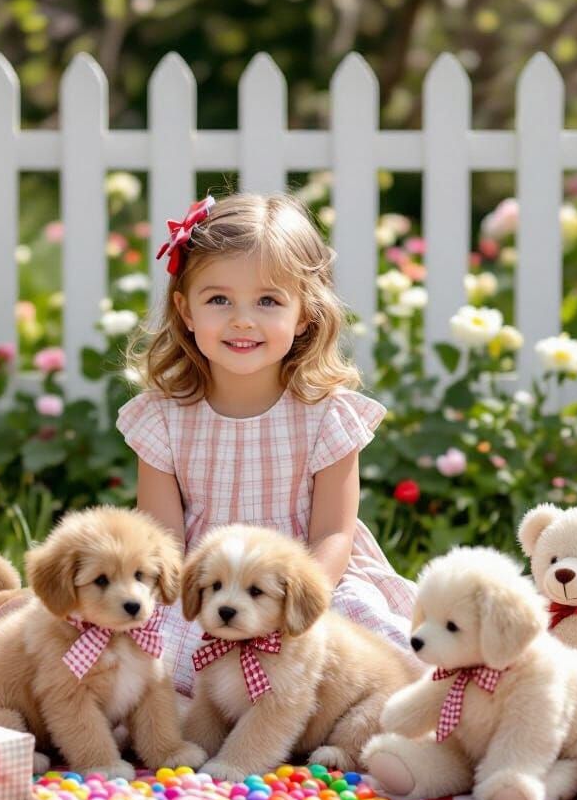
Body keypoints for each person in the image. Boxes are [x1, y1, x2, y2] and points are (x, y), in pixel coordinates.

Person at [116, 192, 417, 694]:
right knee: (143, 658)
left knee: (375, 657)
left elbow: (333, 535)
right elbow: (165, 544)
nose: (242, 320)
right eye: (219, 300)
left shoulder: (326, 415)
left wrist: (290, 606)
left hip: (306, 583)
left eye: (268, 301)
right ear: (185, 310)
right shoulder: (164, 419)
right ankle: (200, 710)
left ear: (304, 315)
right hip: (206, 589)